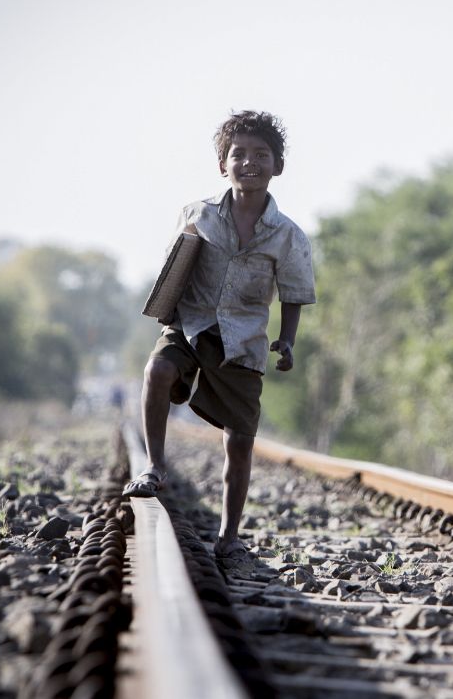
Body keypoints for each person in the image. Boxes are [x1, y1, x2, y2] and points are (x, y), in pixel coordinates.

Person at [124, 110, 316, 565]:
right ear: (222, 165)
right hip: (191, 324)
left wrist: (287, 341)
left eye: (261, 155)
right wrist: (166, 309)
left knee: (240, 438)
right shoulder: (198, 214)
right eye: (239, 155)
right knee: (158, 369)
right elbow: (176, 267)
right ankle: (155, 466)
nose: (249, 162)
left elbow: (294, 294)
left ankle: (230, 534)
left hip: (245, 339)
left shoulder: (289, 236)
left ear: (278, 166)